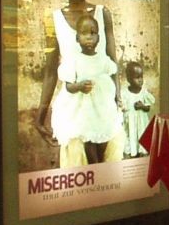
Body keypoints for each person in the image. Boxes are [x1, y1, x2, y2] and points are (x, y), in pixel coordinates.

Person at [35, 0, 124, 167]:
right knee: (76, 166)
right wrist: (41, 115)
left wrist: (118, 98)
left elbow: (112, 61)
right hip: (73, 106)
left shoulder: (103, 14)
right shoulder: (53, 19)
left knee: (110, 166)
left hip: (103, 104)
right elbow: (50, 72)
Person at [52, 14, 121, 164]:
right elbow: (69, 86)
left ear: (99, 37)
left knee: (104, 134)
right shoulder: (74, 60)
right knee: (88, 136)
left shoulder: (103, 60)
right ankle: (94, 165)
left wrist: (116, 97)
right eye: (84, 33)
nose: (89, 37)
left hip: (101, 107)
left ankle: (101, 162)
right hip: (84, 109)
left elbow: (113, 71)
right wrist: (79, 86)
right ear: (77, 38)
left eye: (93, 33)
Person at [121, 62, 155, 158]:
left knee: (142, 144)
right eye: (137, 77)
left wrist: (142, 106)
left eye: (141, 77)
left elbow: (148, 108)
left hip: (142, 125)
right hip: (130, 125)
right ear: (128, 79)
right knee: (130, 142)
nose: (140, 80)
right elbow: (122, 109)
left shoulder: (144, 92)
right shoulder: (124, 93)